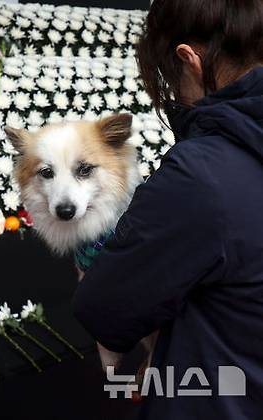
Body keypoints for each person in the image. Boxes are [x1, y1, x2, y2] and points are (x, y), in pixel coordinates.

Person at [72, 0, 263, 419]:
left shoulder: (202, 174)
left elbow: (106, 309)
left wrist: (99, 247)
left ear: (188, 60)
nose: (173, 96)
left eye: (168, 78)